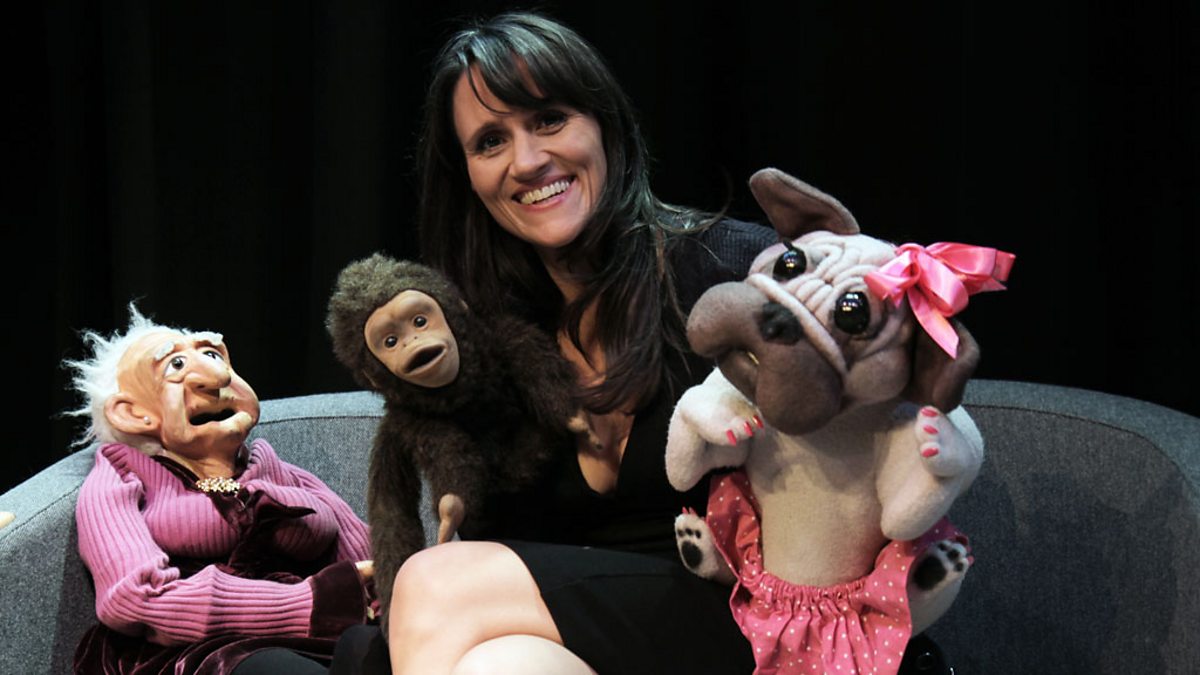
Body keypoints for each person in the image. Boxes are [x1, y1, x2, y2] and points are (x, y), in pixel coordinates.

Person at [344, 10, 955, 675]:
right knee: (498, 662)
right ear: (465, 172)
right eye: (491, 141)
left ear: (603, 123)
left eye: (549, 119)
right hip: (596, 646)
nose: (527, 160)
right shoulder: (481, 341)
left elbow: (888, 394)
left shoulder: (734, 274)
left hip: (764, 627)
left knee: (436, 584)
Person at [68, 305, 375, 675]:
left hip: (320, 637)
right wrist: (309, 603)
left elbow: (370, 564)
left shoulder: (275, 470)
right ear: (132, 413)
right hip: (200, 653)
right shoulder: (122, 475)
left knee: (378, 648)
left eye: (213, 356)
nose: (217, 378)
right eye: (176, 367)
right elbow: (136, 598)